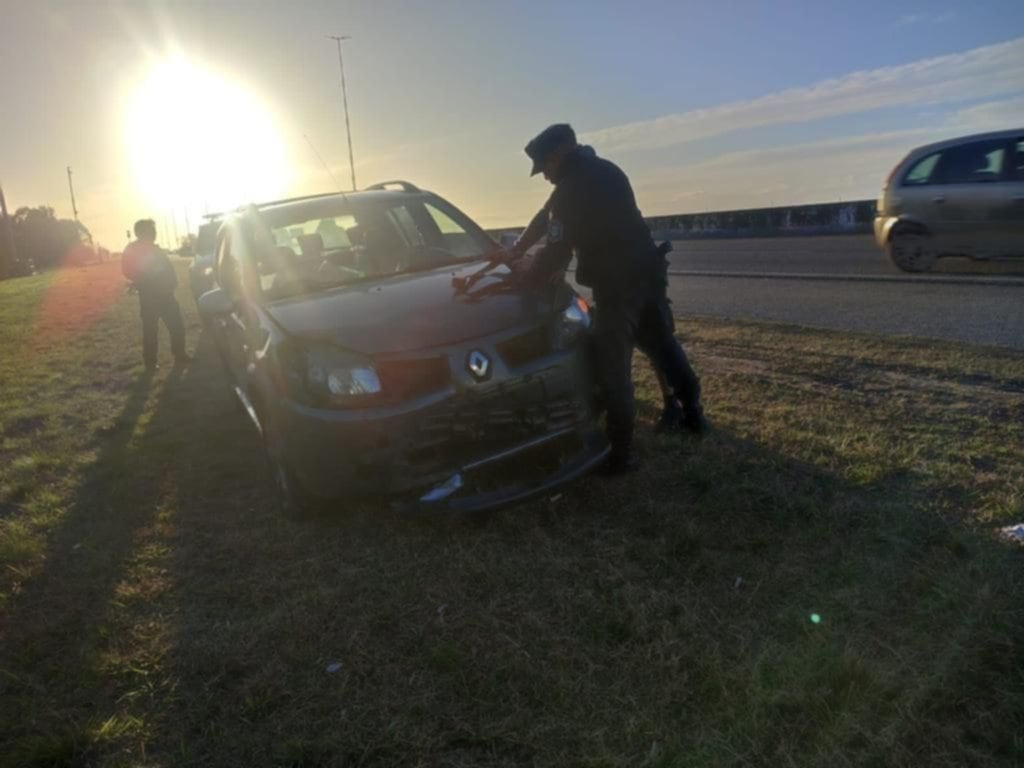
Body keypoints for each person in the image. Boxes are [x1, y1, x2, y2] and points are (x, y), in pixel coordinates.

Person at [514, 124, 708, 474]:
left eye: (544, 168)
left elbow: (555, 252)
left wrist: (524, 275)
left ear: (558, 154)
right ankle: (694, 416)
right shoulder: (606, 170)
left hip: (617, 288)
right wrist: (517, 247)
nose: (544, 176)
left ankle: (622, 454)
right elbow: (547, 214)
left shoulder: (572, 188)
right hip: (648, 275)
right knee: (664, 345)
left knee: (612, 366)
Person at [507, 193, 685, 433]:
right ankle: (677, 405)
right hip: (640, 273)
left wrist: (546, 261)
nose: (547, 176)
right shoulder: (597, 187)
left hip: (623, 282)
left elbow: (562, 239)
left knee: (629, 344)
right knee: (655, 341)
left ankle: (656, 408)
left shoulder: (574, 192)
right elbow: (560, 233)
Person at [122, 219, 189, 373]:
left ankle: (180, 354)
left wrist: (172, 282)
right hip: (149, 297)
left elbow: (166, 268)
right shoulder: (132, 249)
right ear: (142, 232)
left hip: (166, 294)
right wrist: (145, 280)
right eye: (152, 230)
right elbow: (127, 270)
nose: (155, 233)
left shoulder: (155, 249)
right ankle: (150, 363)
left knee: (176, 326)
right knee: (150, 330)